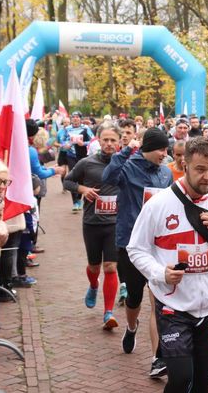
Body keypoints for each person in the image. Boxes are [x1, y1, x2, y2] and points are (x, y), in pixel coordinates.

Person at [127, 137, 208, 393]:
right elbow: (136, 248)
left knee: (202, 384)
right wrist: (160, 273)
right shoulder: (159, 204)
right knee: (180, 378)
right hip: (173, 306)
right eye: (200, 169)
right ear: (184, 165)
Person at [102, 127, 173, 378]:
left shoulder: (166, 173)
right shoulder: (128, 167)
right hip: (131, 244)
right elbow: (108, 178)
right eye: (161, 149)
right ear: (147, 149)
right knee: (134, 297)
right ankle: (131, 327)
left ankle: (157, 358)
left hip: (158, 245)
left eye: (166, 149)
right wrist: (125, 150)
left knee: (158, 302)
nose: (164, 153)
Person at [64, 123, 121, 329]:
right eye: (105, 140)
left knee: (111, 267)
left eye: (113, 140)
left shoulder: (125, 163)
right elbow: (67, 181)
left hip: (114, 223)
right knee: (94, 266)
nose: (109, 143)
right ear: (98, 140)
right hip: (92, 223)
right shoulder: (86, 163)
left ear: (119, 142)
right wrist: (83, 189)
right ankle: (93, 284)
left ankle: (108, 313)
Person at [63, 111, 94, 211]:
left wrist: (83, 144)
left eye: (77, 117)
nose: (75, 119)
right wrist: (66, 145)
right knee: (72, 177)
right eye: (73, 117)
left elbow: (93, 140)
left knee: (81, 177)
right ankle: (75, 202)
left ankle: (79, 199)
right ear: (71, 119)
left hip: (83, 156)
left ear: (80, 119)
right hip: (71, 156)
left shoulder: (86, 128)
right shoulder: (67, 129)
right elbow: (62, 141)